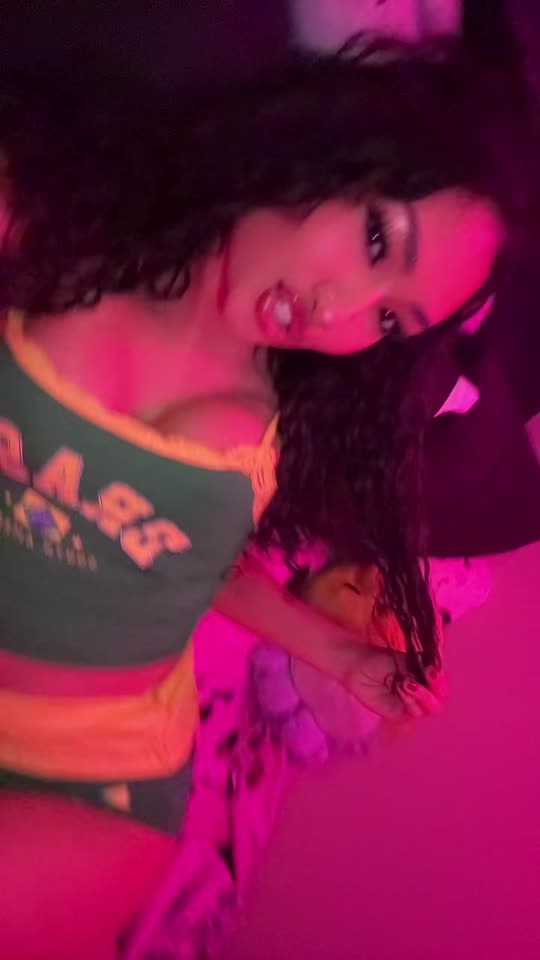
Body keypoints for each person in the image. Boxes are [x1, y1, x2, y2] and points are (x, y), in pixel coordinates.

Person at [0, 37, 526, 959]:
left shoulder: (256, 441)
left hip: (97, 779)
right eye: (375, 240)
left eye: (387, 318)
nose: (338, 312)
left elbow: (187, 578)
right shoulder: (63, 218)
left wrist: (342, 655)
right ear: (331, 154)